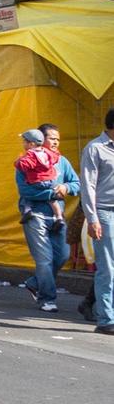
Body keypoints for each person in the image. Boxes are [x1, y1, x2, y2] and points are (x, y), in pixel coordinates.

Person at [17, 123, 79, 312]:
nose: (55, 142)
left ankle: (35, 283)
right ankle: (47, 299)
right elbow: (25, 190)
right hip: (34, 214)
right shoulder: (26, 161)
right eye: (52, 138)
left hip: (56, 215)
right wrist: (51, 194)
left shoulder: (62, 161)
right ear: (40, 140)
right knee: (44, 258)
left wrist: (66, 188)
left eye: (57, 139)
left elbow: (76, 183)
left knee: (62, 256)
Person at [79, 108, 114, 334]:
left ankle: (93, 305)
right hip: (104, 212)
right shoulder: (95, 149)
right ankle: (106, 319)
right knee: (108, 267)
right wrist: (92, 219)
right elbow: (88, 186)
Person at [16, 128, 65, 231]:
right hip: (51, 181)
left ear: (32, 144)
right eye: (52, 139)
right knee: (53, 201)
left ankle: (28, 210)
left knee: (27, 196)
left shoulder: (30, 154)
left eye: (24, 142)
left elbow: (27, 165)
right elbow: (55, 158)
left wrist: (18, 162)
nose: (23, 144)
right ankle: (59, 217)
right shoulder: (47, 152)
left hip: (37, 181)